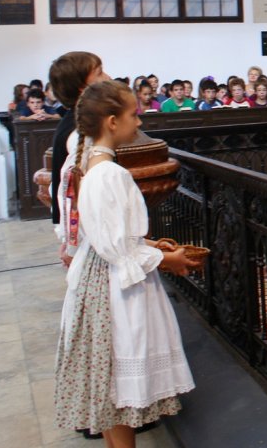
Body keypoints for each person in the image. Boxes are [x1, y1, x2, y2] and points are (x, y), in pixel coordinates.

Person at [54, 80, 197, 444]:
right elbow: (120, 251)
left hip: (100, 273)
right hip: (114, 287)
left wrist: (150, 244)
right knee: (117, 388)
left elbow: (112, 234)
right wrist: (168, 259)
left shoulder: (92, 165)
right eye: (134, 114)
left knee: (109, 386)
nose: (140, 121)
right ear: (112, 122)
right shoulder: (110, 174)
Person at [49, 52, 110, 230]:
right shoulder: (79, 131)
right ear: (82, 88)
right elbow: (82, 188)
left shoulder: (82, 120)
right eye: (100, 73)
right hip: (89, 228)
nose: (108, 77)